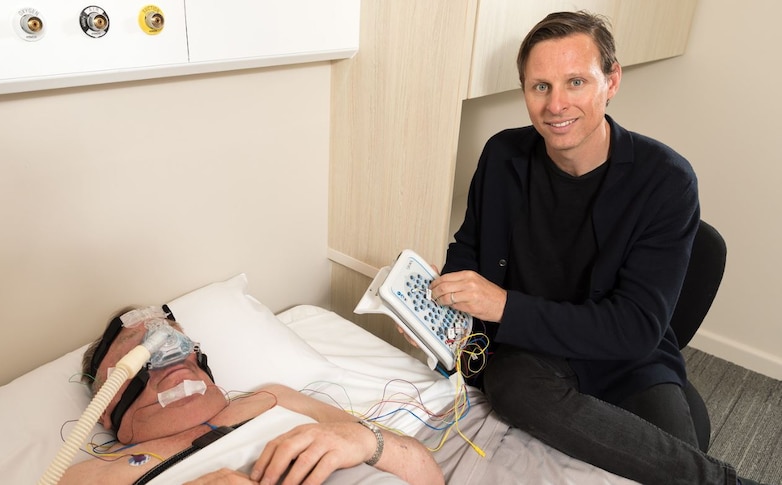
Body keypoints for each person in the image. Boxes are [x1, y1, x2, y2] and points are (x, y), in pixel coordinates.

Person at [427, 10, 764, 485]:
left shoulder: (666, 180)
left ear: (612, 81)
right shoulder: (503, 155)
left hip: (627, 359)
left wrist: (502, 304)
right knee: (510, 385)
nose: (556, 104)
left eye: (576, 82)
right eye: (540, 86)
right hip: (532, 355)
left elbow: (635, 329)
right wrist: (433, 317)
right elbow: (468, 252)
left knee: (671, 463)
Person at [60, 306, 444, 485]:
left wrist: (366, 441)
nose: (166, 348)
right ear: (106, 406)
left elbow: (427, 474)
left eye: (173, 335)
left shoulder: (273, 399)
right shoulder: (91, 476)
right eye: (138, 346)